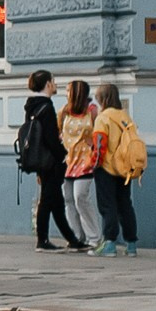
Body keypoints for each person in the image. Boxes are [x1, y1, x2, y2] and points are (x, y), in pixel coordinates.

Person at [21, 70, 85, 251]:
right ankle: (42, 241)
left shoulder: (31, 106)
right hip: (51, 162)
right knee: (48, 200)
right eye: (54, 82)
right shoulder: (46, 107)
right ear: (48, 85)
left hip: (40, 159)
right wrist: (63, 155)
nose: (56, 85)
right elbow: (50, 137)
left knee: (56, 201)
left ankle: (72, 240)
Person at [92, 82, 145, 256]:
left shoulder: (103, 118)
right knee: (125, 204)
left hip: (106, 167)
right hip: (124, 168)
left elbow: (100, 144)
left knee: (108, 205)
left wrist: (94, 164)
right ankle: (131, 244)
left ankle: (109, 243)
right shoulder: (125, 117)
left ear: (103, 99)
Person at [59, 79, 104, 253]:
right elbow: (58, 131)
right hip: (68, 160)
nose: (66, 93)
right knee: (68, 198)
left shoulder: (92, 111)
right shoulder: (64, 111)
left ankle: (94, 237)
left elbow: (99, 134)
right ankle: (77, 237)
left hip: (85, 162)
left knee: (81, 197)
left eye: (68, 90)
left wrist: (93, 145)